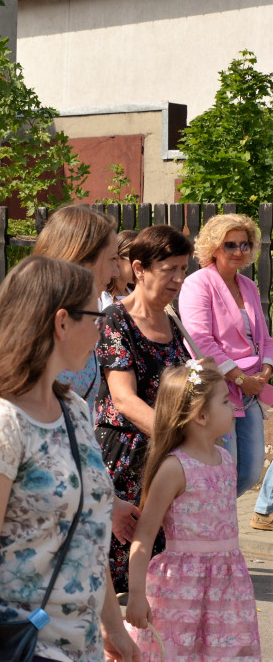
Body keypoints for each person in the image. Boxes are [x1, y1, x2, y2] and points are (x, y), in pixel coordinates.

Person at [0, 256, 138, 662]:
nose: (102, 331)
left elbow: (88, 532)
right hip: (17, 646)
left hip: (78, 648)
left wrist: (114, 628)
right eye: (96, 316)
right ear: (62, 322)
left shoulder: (73, 410)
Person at [125, 359, 261, 660]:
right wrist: (136, 594)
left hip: (227, 586)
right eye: (225, 401)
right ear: (200, 415)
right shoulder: (174, 468)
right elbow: (145, 534)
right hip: (181, 589)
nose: (232, 406)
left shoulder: (225, 460)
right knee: (180, 651)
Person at [94, 224, 193, 594]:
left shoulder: (173, 321)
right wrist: (179, 437)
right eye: (169, 269)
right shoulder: (115, 321)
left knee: (157, 581)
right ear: (139, 268)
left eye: (183, 269)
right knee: (113, 575)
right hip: (125, 458)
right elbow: (123, 398)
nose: (179, 279)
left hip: (165, 460)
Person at [178, 214, 272, 500]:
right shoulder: (198, 283)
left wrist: (266, 370)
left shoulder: (249, 286)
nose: (239, 252)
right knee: (222, 471)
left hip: (251, 390)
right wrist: (239, 377)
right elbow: (199, 340)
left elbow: (264, 338)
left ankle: (218, 522)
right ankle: (211, 531)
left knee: (250, 472)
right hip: (218, 390)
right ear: (213, 247)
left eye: (245, 245)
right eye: (230, 245)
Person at [32, 205, 119, 408]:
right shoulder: (33, 331)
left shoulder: (84, 317)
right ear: (82, 259)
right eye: (112, 259)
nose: (116, 272)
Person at [107, 229, 138, 303]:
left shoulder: (135, 293)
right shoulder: (102, 297)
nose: (141, 267)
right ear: (117, 259)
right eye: (135, 262)